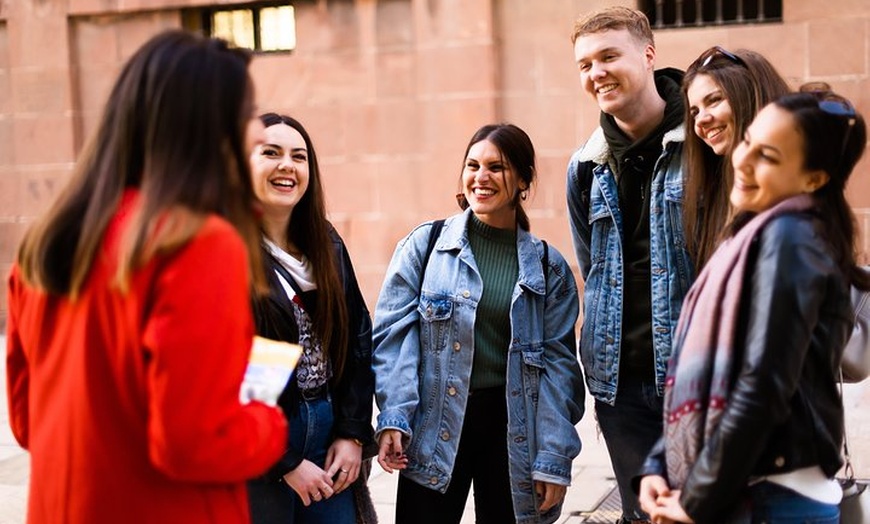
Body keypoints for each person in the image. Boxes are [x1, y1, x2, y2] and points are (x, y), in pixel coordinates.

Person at [5, 30, 288, 523]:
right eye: (247, 113)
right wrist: (268, 423)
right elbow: (193, 442)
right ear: (205, 125)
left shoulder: (49, 242)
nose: (260, 131)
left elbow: (29, 422)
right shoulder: (197, 243)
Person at [638, 89, 870, 523]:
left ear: (813, 179)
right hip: (755, 488)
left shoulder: (791, 240)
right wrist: (660, 464)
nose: (742, 160)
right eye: (748, 142)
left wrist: (697, 497)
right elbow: (705, 375)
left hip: (774, 498)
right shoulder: (753, 235)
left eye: (768, 156)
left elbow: (763, 383)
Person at [372, 123, 585, 524]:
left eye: (497, 167)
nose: (481, 177)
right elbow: (394, 339)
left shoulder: (548, 269)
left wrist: (554, 456)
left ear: (523, 179)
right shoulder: (426, 245)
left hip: (512, 428)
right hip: (435, 422)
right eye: (472, 165)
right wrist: (394, 417)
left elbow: (559, 368)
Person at [566, 7, 692, 523]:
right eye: (584, 64)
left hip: (695, 378)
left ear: (648, 53)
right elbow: (593, 268)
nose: (596, 73)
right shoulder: (585, 167)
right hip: (620, 387)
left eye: (609, 56)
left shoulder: (704, 145)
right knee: (644, 516)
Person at [244, 113, 376, 524]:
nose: (287, 165)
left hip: (328, 430)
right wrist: (283, 462)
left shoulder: (326, 243)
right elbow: (219, 373)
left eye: (299, 157)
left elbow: (357, 337)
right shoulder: (226, 252)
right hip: (260, 446)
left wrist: (352, 433)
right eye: (271, 153)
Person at [681, 46, 790, 269]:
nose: (701, 120)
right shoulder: (714, 190)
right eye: (695, 112)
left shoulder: (791, 193)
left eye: (714, 100)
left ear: (749, 97)